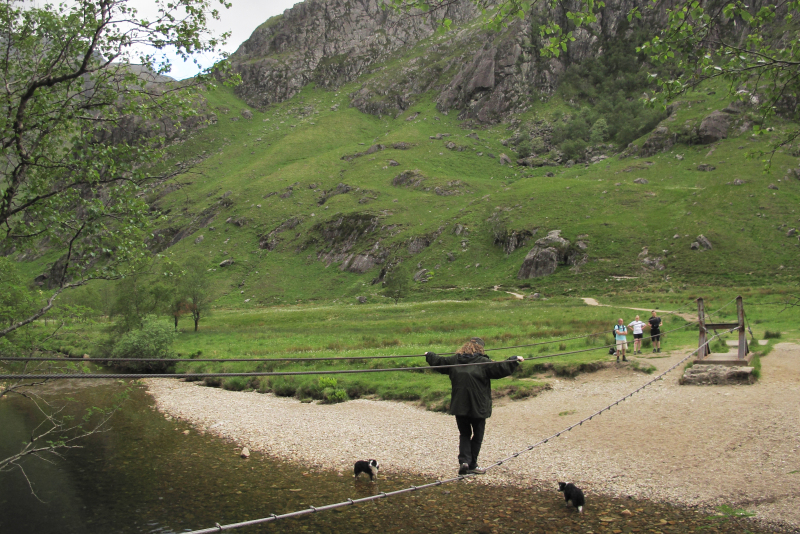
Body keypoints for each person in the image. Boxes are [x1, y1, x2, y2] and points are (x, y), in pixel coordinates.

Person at [425, 337, 523, 476]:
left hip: (460, 405)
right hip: (479, 406)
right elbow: (500, 368)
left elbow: (440, 362)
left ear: (465, 346)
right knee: (478, 435)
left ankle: (464, 462)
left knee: (465, 434)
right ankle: (472, 465)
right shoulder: (483, 362)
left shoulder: (455, 361)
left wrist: (429, 355)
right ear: (481, 349)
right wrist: (514, 360)